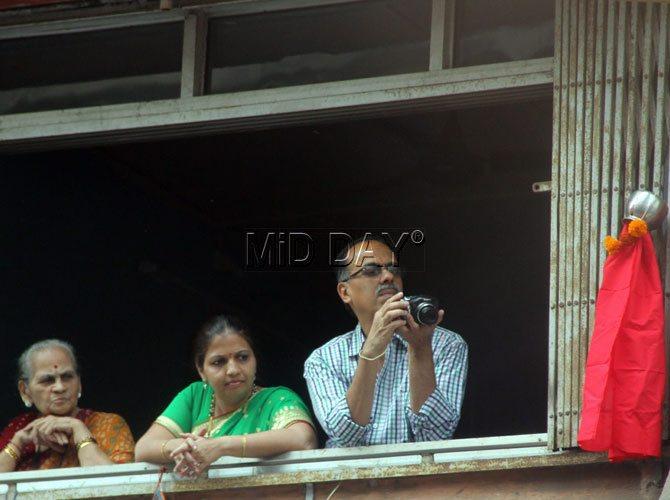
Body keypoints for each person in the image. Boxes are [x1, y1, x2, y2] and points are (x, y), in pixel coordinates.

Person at [304, 236, 468, 447]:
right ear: (345, 292)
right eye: (372, 271)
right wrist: (371, 351)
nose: (388, 276)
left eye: (394, 270)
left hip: (420, 478)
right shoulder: (323, 359)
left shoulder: (446, 343)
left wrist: (420, 348)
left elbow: (435, 436)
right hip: (350, 479)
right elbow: (344, 434)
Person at [135, 315, 317, 477]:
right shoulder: (196, 395)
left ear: (255, 360)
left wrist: (221, 446)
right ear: (201, 370)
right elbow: (143, 448)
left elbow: (303, 439)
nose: (233, 370)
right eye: (218, 362)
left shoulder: (276, 400)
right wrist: (180, 448)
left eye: (243, 357)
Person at [0, 339, 135, 471]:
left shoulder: (108, 424)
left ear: (79, 384)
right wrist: (17, 444)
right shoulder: (19, 428)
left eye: (67, 377)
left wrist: (78, 429)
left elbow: (119, 483)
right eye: (47, 380)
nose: (59, 387)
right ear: (25, 391)